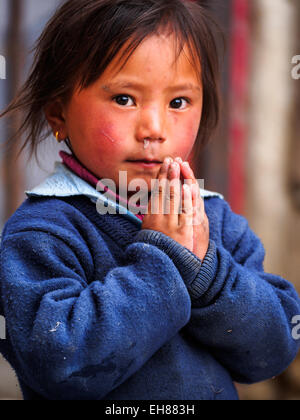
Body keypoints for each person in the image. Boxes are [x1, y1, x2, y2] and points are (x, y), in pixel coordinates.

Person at [0, 0, 299, 401]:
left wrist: (208, 277)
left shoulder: (212, 220)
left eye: (178, 102)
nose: (154, 129)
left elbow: (273, 351)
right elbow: (60, 364)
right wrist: (161, 260)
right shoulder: (42, 234)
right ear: (58, 113)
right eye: (125, 98)